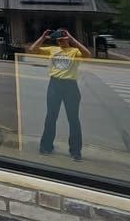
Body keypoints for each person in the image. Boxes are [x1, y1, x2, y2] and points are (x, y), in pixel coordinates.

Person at [28, 27, 92, 161]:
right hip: (54, 84)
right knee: (51, 117)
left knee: (73, 119)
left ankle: (75, 151)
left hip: (70, 85)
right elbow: (32, 50)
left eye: (63, 38)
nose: (61, 41)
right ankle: (46, 146)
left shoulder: (74, 51)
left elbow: (88, 54)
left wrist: (72, 39)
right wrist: (42, 37)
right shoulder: (52, 49)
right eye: (59, 39)